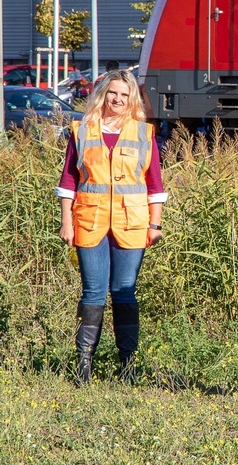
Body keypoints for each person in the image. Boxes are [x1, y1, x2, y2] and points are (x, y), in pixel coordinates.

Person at [57, 69, 165, 384]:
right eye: (112, 93)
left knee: (124, 292)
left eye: (124, 94)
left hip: (132, 224)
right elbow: (68, 180)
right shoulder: (82, 130)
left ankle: (127, 368)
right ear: (103, 95)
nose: (117, 99)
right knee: (92, 291)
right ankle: (83, 367)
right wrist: (67, 220)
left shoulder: (144, 133)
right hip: (89, 221)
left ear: (132, 99)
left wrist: (155, 223)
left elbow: (154, 184)